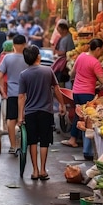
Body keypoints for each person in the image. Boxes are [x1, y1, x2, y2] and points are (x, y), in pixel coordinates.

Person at [18, 45, 67, 180]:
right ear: (38, 56)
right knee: (44, 142)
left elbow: (21, 97)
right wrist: (62, 104)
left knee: (32, 141)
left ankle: (34, 170)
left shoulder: (24, 75)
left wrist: (20, 116)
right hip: (46, 112)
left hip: (30, 113)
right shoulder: (48, 71)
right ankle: (43, 170)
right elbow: (57, 89)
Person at [63, 38, 103, 160]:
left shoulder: (81, 56)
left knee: (79, 115)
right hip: (87, 93)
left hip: (76, 91)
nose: (102, 53)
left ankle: (73, 139)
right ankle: (88, 150)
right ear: (97, 49)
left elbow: (72, 73)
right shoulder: (95, 62)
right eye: (102, 50)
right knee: (90, 120)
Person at [0, 34, 29, 154]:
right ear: (24, 44)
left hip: (12, 93)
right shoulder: (28, 58)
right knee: (26, 118)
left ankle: (12, 145)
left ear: (14, 45)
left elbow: (0, 74)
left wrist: (2, 89)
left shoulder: (7, 58)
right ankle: (25, 144)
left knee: (11, 119)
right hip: (27, 94)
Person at [54, 20, 75, 86]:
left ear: (65, 30)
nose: (60, 34)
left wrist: (56, 52)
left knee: (61, 79)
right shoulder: (69, 36)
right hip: (68, 61)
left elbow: (63, 52)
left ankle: (62, 92)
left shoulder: (65, 39)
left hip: (64, 62)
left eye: (61, 32)